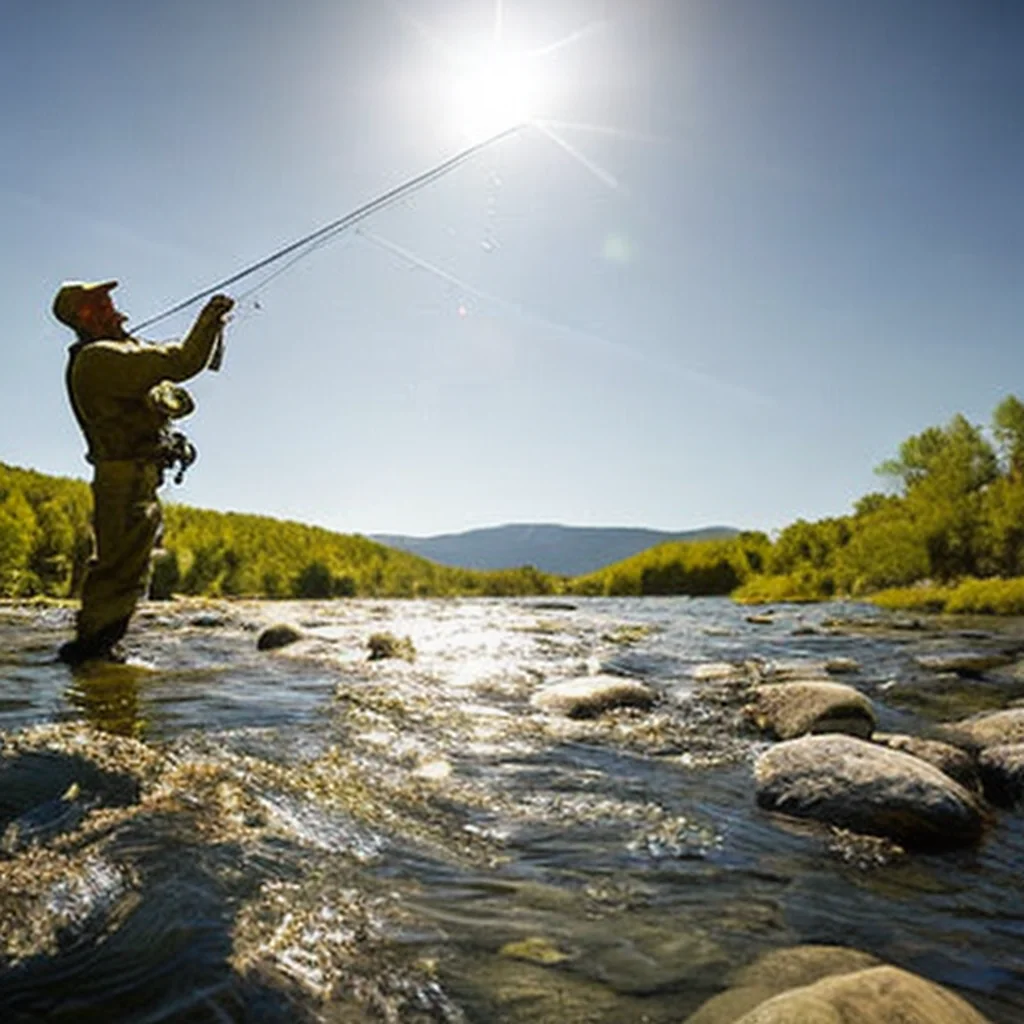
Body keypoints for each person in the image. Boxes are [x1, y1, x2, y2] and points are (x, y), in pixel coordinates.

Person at [52, 280, 234, 664]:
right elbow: (182, 361)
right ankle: (89, 659)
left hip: (136, 478)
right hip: (122, 480)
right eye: (101, 302)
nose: (113, 306)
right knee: (116, 573)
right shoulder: (97, 359)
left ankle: (99, 667)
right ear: (84, 315)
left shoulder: (113, 354)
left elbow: (177, 400)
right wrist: (210, 320)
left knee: (126, 573)